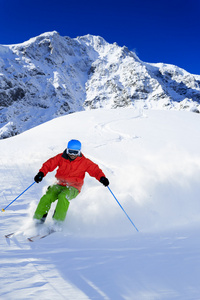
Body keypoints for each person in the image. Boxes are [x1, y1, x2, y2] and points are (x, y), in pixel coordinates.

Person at [33, 139, 109, 225]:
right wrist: (41, 173)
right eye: (70, 152)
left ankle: (57, 223)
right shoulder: (60, 157)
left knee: (63, 196)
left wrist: (102, 178)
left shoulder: (84, 162)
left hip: (74, 187)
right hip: (59, 183)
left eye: (75, 152)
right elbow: (49, 164)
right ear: (67, 150)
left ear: (79, 152)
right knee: (47, 197)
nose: (72, 155)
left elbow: (95, 170)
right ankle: (38, 220)